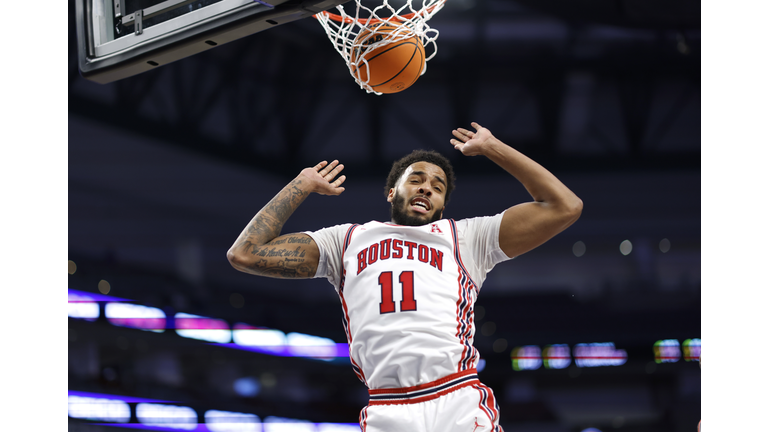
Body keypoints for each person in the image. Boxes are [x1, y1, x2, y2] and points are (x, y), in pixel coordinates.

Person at [227, 122, 583, 432]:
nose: (427, 187)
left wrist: (493, 147)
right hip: (388, 408)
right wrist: (301, 184)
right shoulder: (345, 240)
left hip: (454, 396)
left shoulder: (468, 238)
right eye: (416, 179)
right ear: (391, 192)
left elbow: (564, 206)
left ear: (442, 206)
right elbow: (244, 253)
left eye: (438, 186)